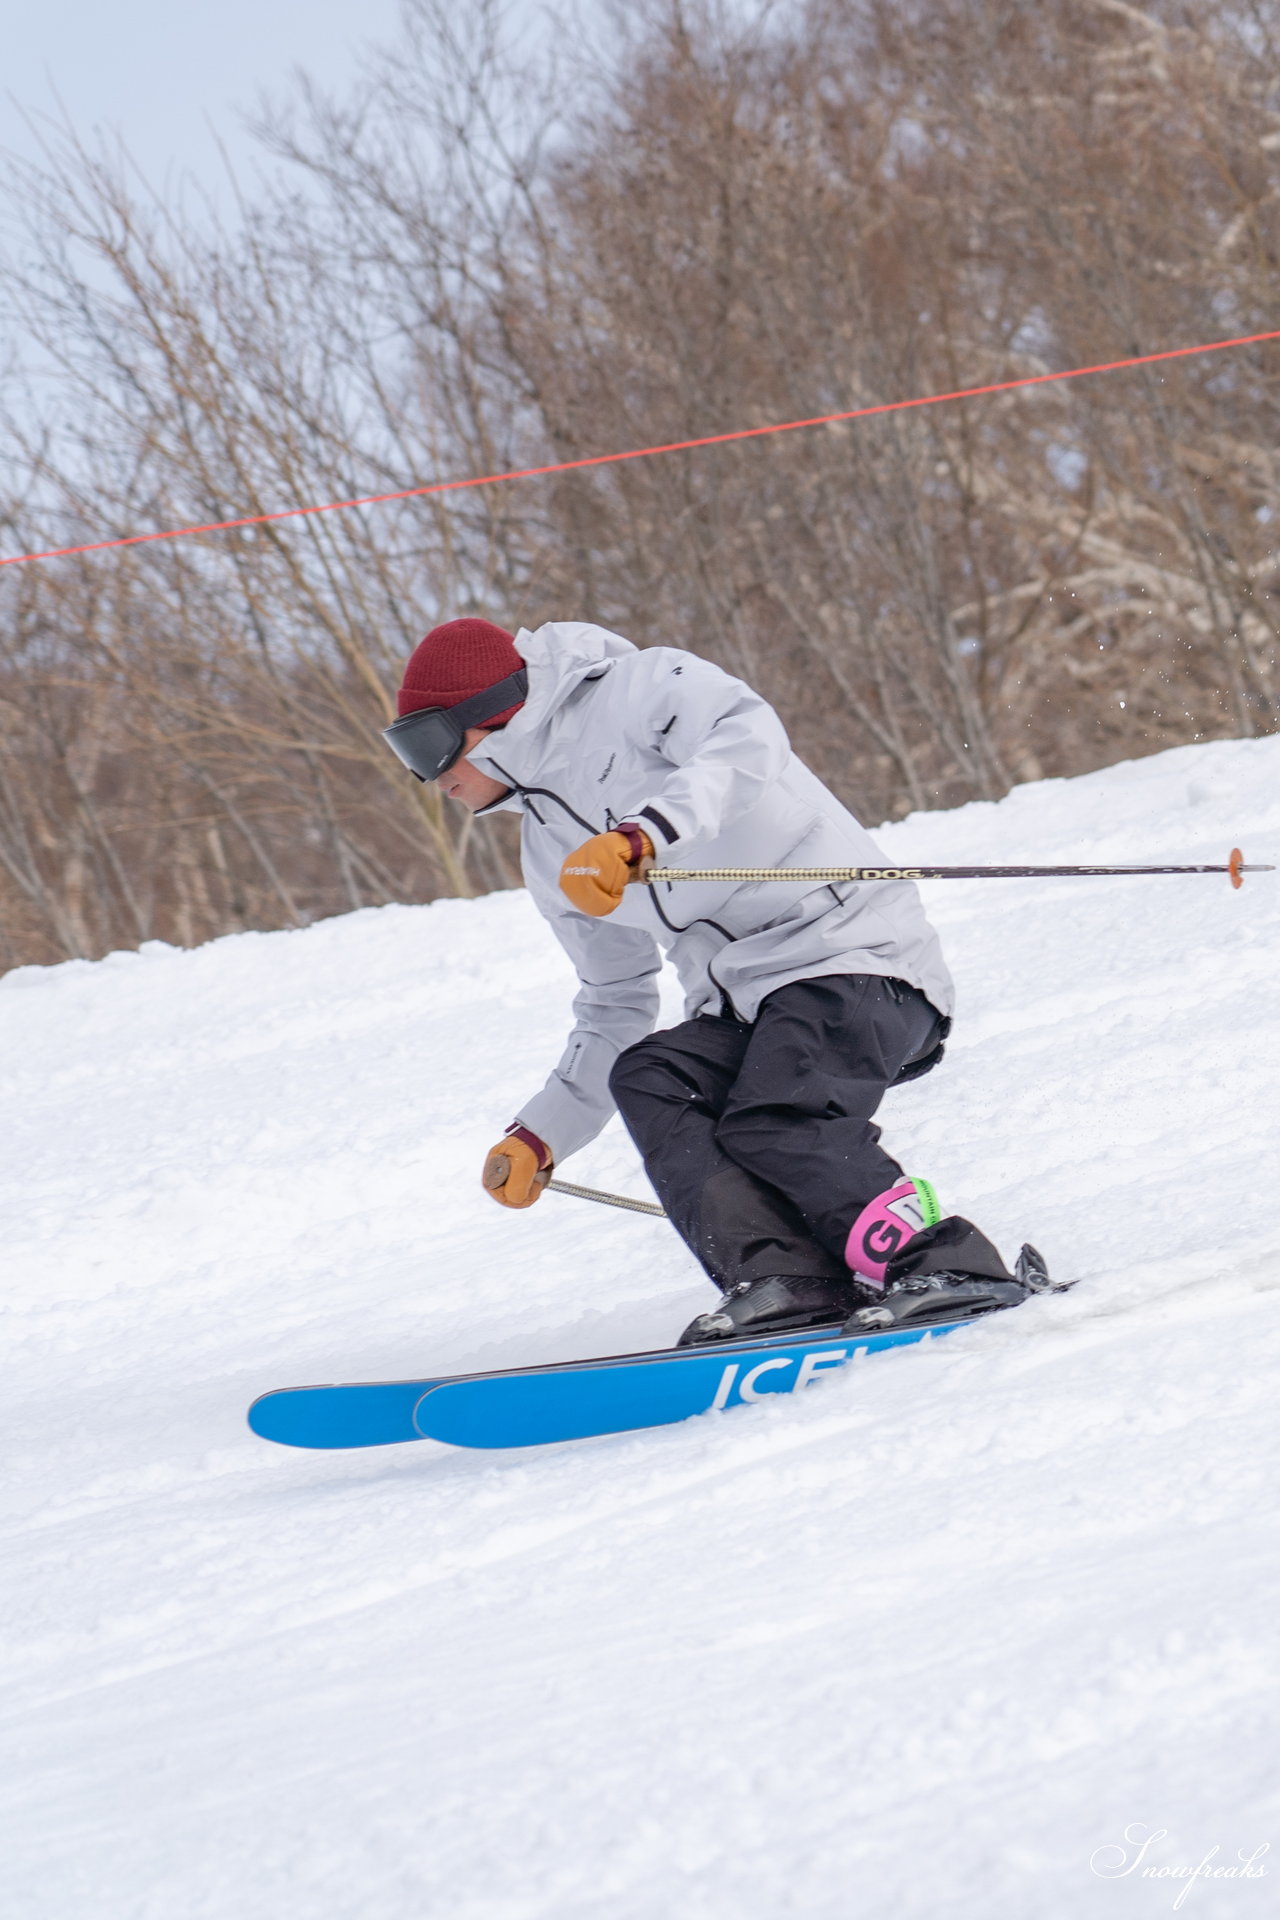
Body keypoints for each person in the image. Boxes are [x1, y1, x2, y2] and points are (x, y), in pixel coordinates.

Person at [383, 615, 1031, 1346]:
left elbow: (747, 736)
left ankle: (949, 1263)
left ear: (491, 716)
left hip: (852, 955)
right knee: (654, 1077)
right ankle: (787, 1280)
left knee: (777, 1116)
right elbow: (613, 1000)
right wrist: (544, 1133)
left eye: (429, 745)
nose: (431, 778)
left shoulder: (637, 689)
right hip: (745, 1008)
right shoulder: (548, 852)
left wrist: (645, 833)